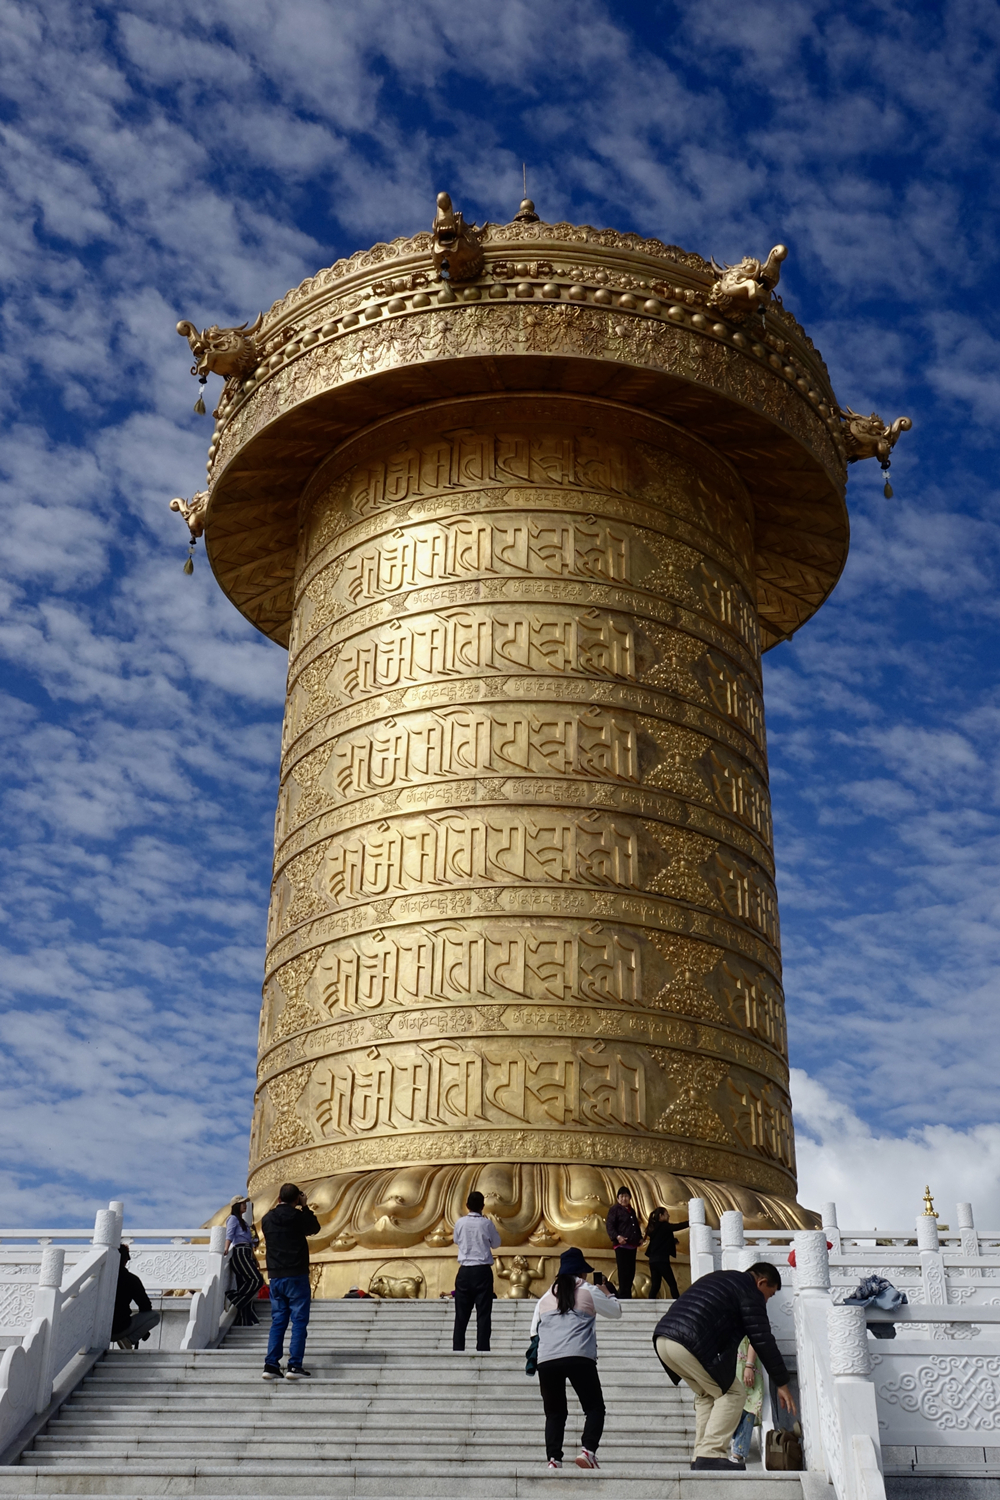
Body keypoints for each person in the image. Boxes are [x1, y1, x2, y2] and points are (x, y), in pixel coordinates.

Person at [652, 1261, 796, 1472]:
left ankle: (700, 1455)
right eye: (770, 1294)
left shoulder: (721, 1278)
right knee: (734, 1394)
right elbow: (762, 1338)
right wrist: (782, 1383)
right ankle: (710, 1453)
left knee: (707, 1395)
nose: (766, 1300)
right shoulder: (750, 1291)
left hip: (664, 1340)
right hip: (689, 1343)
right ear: (762, 1282)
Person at [530, 1247, 621, 1470]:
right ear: (581, 1272)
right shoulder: (589, 1290)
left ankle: (554, 1459)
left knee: (554, 1413)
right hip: (578, 1356)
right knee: (594, 1407)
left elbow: (533, 1331)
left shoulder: (545, 1297)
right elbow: (615, 1312)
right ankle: (588, 1451)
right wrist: (609, 1293)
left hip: (547, 1359)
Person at [260, 1182, 320, 1380]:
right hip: (296, 1274)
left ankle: (271, 1364)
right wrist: (305, 1207)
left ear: (278, 1198)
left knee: (278, 1321)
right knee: (299, 1321)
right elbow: (314, 1228)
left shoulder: (267, 1218)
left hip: (276, 1276)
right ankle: (294, 1365)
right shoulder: (298, 1216)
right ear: (297, 1199)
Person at [452, 1190, 501, 1352]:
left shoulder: (460, 1223)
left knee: (461, 1315)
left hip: (465, 1270)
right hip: (482, 1271)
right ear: (482, 1206)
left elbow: (456, 1240)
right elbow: (496, 1243)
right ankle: (482, 1348)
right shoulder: (487, 1224)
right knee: (483, 1314)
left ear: (467, 1206)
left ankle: (458, 1348)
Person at [111, 1245, 160, 1350]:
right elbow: (146, 1307)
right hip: (119, 1328)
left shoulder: (101, 1277)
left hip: (96, 1328)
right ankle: (129, 1339)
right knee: (155, 1316)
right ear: (126, 1260)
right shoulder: (131, 1279)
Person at [225, 1196, 264, 1326]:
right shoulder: (233, 1219)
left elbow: (250, 1241)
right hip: (240, 1252)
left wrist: (254, 1257)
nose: (245, 1205)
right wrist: (226, 1248)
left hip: (247, 1252)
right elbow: (229, 1234)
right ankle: (233, 1296)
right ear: (236, 1206)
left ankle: (245, 1319)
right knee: (257, 1280)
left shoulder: (243, 1222)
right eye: (242, 1203)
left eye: (245, 1203)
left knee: (246, 1283)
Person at [605, 1186, 642, 1299]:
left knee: (631, 1271)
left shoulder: (632, 1211)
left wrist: (639, 1238)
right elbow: (610, 1225)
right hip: (621, 1245)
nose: (624, 1199)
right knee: (623, 1270)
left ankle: (627, 1293)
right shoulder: (615, 1210)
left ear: (630, 1198)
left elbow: (635, 1225)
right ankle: (623, 1294)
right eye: (621, 1196)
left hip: (632, 1245)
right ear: (618, 1198)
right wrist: (617, 1237)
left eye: (626, 1196)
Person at [730, 1338, 763, 1464]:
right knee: (734, 1406)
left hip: (747, 1365)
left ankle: (738, 1452)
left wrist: (749, 1365)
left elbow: (754, 1338)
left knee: (749, 1406)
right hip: (731, 1365)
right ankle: (737, 1441)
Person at [645, 1205, 689, 1300]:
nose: (668, 1216)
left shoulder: (654, 1228)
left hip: (653, 1261)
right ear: (661, 1216)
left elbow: (661, 1239)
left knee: (656, 1285)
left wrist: (673, 1241)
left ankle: (650, 1303)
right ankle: (677, 1302)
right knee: (672, 1283)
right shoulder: (664, 1226)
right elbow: (677, 1227)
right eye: (666, 1214)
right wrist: (690, 1222)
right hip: (662, 1260)